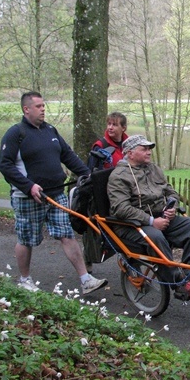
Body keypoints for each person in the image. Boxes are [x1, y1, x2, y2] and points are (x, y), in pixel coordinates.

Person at [0, 91, 108, 295]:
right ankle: (24, 279)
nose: (43, 109)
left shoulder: (50, 131)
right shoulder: (16, 133)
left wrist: (89, 175)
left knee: (67, 234)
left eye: (43, 106)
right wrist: (29, 186)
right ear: (26, 109)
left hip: (56, 194)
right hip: (29, 197)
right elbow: (5, 165)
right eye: (38, 106)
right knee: (26, 239)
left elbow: (68, 156)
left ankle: (86, 279)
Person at [106, 134, 190, 299]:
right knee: (155, 236)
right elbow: (121, 208)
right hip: (131, 225)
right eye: (144, 149)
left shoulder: (153, 169)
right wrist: (151, 221)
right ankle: (178, 283)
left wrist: (172, 206)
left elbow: (170, 191)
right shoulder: (119, 176)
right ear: (129, 153)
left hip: (160, 218)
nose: (149, 152)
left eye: (149, 149)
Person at [84, 112, 129, 273]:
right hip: (103, 194)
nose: (110, 127)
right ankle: (88, 259)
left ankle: (128, 259)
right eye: (109, 124)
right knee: (96, 229)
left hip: (125, 192)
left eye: (114, 124)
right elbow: (91, 173)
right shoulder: (100, 146)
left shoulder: (129, 145)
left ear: (123, 128)